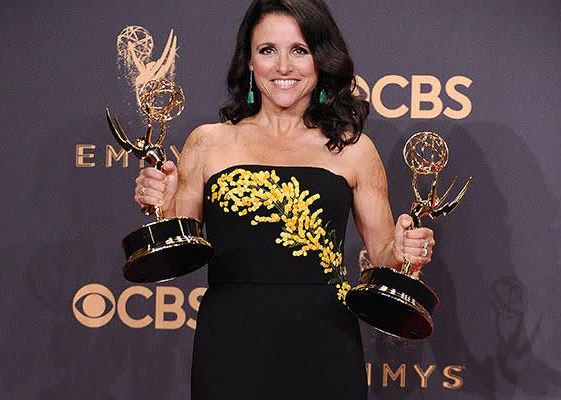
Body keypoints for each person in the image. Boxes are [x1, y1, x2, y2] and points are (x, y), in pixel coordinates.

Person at [134, 0, 435, 398]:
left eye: (299, 50)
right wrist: (160, 203)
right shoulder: (209, 142)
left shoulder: (353, 149)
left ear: (320, 59)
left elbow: (382, 253)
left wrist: (405, 249)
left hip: (324, 339)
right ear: (249, 61)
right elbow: (181, 242)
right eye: (267, 50)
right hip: (231, 341)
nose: (283, 67)